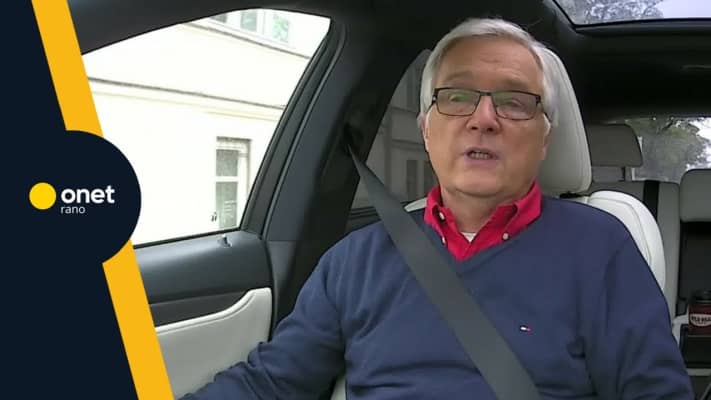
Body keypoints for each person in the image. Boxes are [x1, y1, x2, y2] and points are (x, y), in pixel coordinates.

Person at [181, 18, 693, 399]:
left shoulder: (602, 247)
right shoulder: (354, 261)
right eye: (458, 96)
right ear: (427, 129)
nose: (484, 118)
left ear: (544, 140)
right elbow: (270, 384)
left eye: (515, 102)